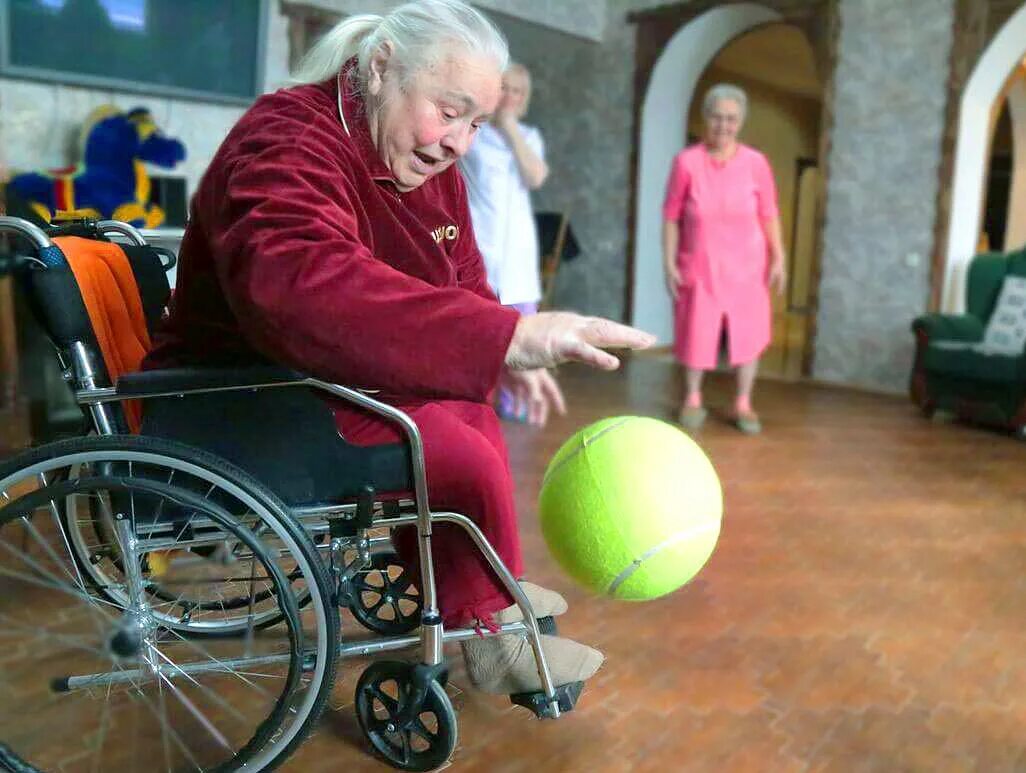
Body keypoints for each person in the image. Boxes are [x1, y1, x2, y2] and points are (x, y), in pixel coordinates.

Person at [143, 0, 655, 695]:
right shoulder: (288, 138)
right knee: (445, 444)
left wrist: (504, 346)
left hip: (307, 384)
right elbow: (297, 287)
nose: (459, 143)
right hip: (242, 396)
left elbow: (463, 280)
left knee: (470, 407)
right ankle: (485, 627)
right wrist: (505, 335)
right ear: (380, 68)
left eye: (476, 123)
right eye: (449, 111)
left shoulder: (424, 162)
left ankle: (483, 593)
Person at [662, 83, 786, 435]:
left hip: (748, 266)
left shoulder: (756, 164)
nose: (723, 125)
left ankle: (743, 401)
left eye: (731, 119)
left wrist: (779, 255)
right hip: (700, 263)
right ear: (706, 118)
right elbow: (670, 215)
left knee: (748, 333)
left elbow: (769, 212)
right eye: (716, 117)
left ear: (740, 122)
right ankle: (693, 397)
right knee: (696, 329)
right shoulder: (686, 162)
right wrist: (668, 261)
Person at [459, 62, 548, 422]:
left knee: (521, 330)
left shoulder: (530, 136)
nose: (510, 97)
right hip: (481, 248)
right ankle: (474, 400)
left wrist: (511, 129)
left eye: (518, 92)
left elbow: (536, 177)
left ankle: (518, 402)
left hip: (519, 255)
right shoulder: (472, 133)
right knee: (478, 330)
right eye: (505, 88)